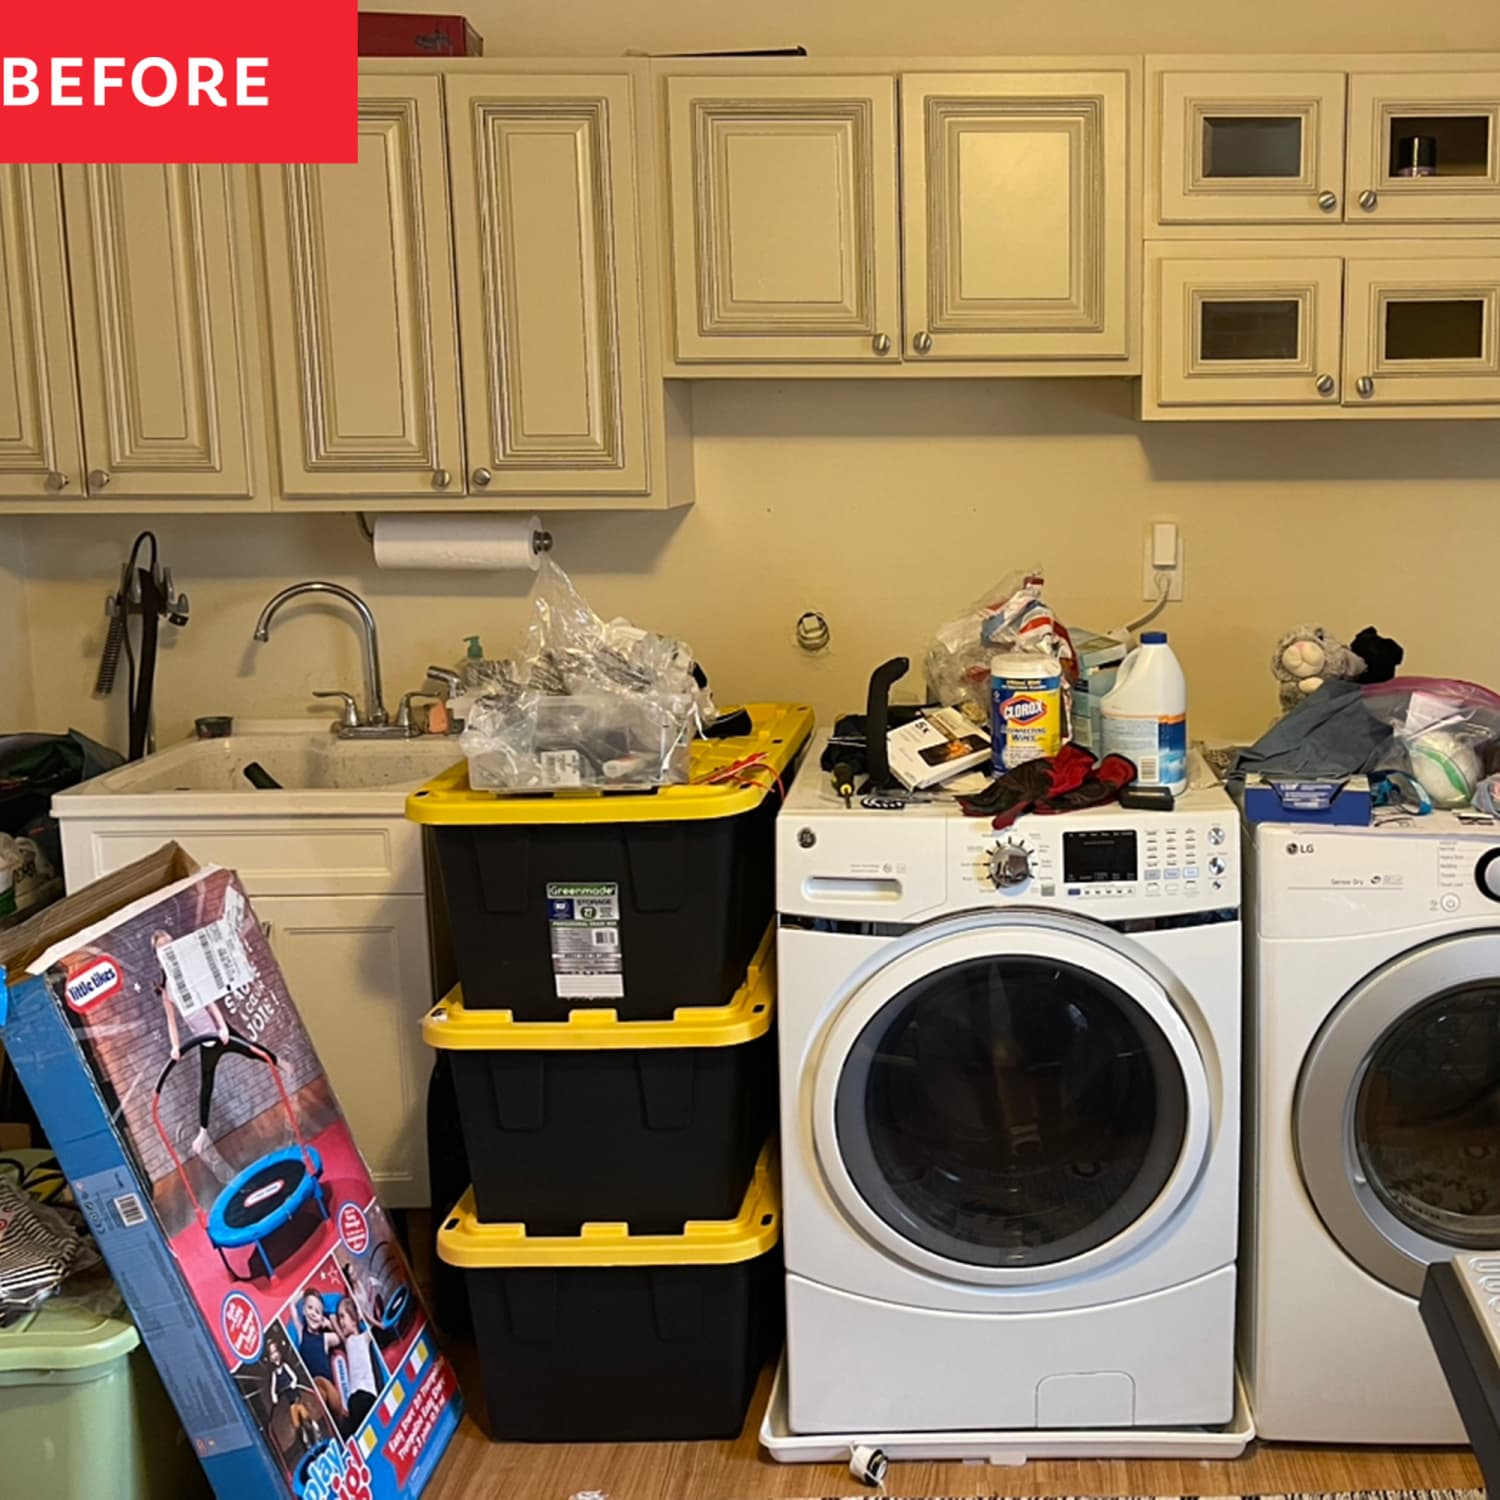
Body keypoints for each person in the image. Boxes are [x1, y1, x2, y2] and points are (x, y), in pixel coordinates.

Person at [295, 1290, 347, 1422]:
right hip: (313, 1389)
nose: (313, 1313)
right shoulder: (302, 1333)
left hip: (328, 1386)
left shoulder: (324, 1338)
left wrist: (329, 1324)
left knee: (335, 1412)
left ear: (322, 1317)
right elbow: (292, 1306)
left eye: (317, 1312)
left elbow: (341, 1338)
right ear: (304, 1310)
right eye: (310, 1308)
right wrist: (303, 1293)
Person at [334, 1296, 383, 1433]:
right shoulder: (347, 1342)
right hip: (354, 1399)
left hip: (367, 1394)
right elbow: (336, 1326)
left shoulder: (364, 1338)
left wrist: (363, 1314)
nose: (341, 1321)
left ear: (354, 1320)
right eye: (339, 1318)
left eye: (343, 1317)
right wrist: (332, 1320)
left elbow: (376, 1325)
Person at [265, 1339, 319, 1455]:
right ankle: (305, 1443)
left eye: (276, 1352)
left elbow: (294, 1377)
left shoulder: (285, 1366)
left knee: (305, 1416)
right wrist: (274, 1395)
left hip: (297, 1398)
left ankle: (314, 1430)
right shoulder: (275, 1374)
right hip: (291, 1402)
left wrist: (293, 1382)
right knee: (296, 1424)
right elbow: (273, 1387)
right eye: (272, 1354)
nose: (275, 1356)